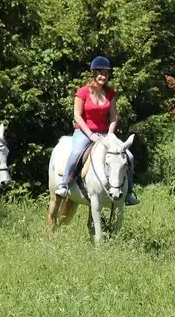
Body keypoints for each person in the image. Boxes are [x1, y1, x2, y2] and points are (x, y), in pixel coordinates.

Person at [54, 56, 138, 205]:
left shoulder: (111, 93)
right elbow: (77, 116)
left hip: (105, 133)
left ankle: (129, 192)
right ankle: (64, 183)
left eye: (106, 73)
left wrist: (110, 134)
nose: (103, 76)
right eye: (100, 73)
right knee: (76, 152)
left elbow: (113, 117)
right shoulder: (82, 92)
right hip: (84, 132)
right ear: (93, 73)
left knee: (128, 156)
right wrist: (91, 135)